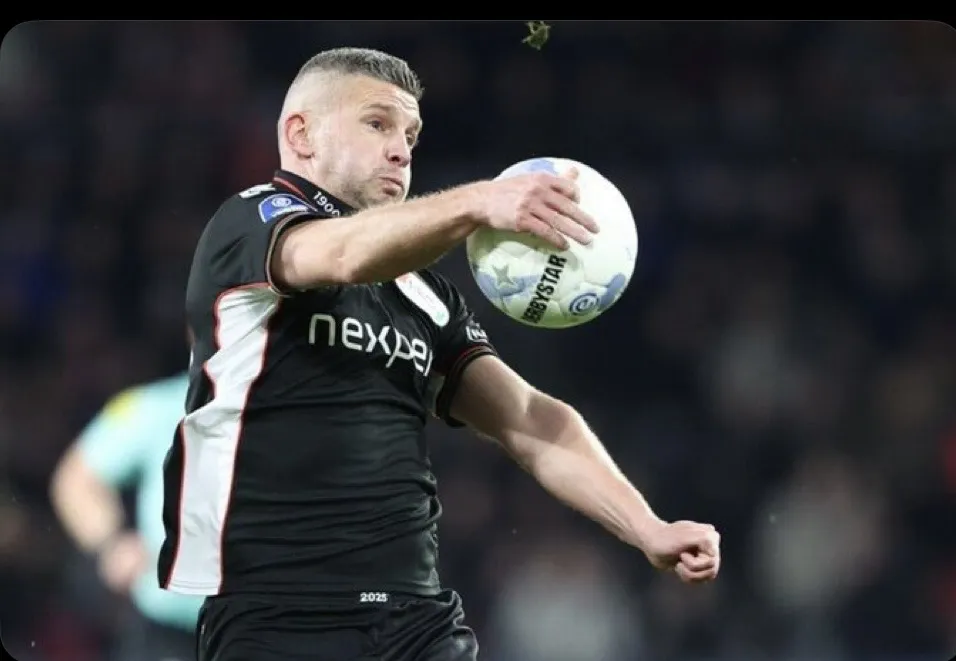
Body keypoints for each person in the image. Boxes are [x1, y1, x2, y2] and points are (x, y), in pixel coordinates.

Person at [159, 47, 721, 661]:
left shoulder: (423, 292)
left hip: (416, 619)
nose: (401, 149)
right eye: (377, 124)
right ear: (302, 134)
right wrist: (481, 200)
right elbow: (342, 255)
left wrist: (647, 527)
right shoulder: (249, 224)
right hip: (277, 615)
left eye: (410, 133)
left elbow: (527, 419)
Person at [51, 371, 205, 661]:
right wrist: (113, 542)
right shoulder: (156, 406)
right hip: (170, 633)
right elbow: (77, 478)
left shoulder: (306, 410)